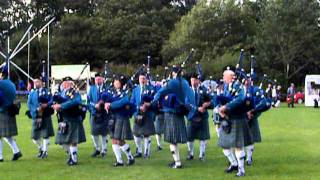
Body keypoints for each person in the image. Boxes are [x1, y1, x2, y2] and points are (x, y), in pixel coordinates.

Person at [151, 66, 195, 169]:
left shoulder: (171, 83)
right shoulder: (185, 82)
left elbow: (160, 92)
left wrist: (153, 102)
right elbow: (190, 97)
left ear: (174, 73)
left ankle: (178, 163)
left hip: (171, 113)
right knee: (174, 140)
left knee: (172, 140)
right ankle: (176, 160)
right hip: (180, 112)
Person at [218, 69, 253, 177]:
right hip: (228, 118)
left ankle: (241, 170)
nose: (223, 78)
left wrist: (226, 107)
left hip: (237, 119)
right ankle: (234, 164)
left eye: (224, 76)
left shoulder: (238, 86)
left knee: (238, 146)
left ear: (230, 76)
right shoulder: (227, 87)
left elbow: (240, 99)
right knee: (224, 145)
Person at [53, 77, 86, 166]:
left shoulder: (75, 92)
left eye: (67, 82)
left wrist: (61, 105)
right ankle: (71, 155)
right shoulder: (62, 92)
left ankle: (74, 159)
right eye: (64, 82)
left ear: (71, 83)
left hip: (73, 118)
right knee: (62, 141)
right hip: (64, 118)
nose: (64, 84)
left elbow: (76, 101)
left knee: (72, 140)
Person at [104, 76, 135, 167]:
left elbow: (123, 102)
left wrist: (111, 104)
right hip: (113, 117)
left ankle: (130, 157)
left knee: (119, 139)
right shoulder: (111, 91)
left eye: (117, 82)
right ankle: (120, 161)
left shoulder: (127, 92)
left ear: (121, 83)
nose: (115, 84)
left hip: (121, 117)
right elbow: (105, 98)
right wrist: (106, 103)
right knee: (114, 139)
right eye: (115, 82)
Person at [27, 78, 55, 159]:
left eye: (37, 82)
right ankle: (41, 148)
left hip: (45, 115)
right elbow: (29, 104)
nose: (35, 83)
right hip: (36, 116)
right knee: (34, 137)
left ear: (41, 83)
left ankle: (45, 152)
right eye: (34, 82)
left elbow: (52, 100)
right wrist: (35, 109)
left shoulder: (47, 92)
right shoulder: (32, 93)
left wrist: (46, 104)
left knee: (46, 135)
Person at [0, 64, 23, 162]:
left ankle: (0, 157)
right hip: (10, 110)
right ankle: (16, 151)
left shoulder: (1, 84)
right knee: (7, 135)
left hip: (3, 110)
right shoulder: (11, 83)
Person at [131, 73, 156, 158]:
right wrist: (137, 109)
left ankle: (146, 152)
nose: (142, 80)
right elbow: (132, 103)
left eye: (144, 78)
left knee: (146, 134)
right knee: (135, 134)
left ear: (146, 79)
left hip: (148, 115)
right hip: (138, 114)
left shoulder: (151, 89)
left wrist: (148, 105)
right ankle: (139, 151)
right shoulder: (135, 90)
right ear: (138, 79)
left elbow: (155, 102)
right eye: (141, 78)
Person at [186, 73, 211, 161]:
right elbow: (187, 103)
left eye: (194, 80)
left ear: (198, 80)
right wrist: (197, 109)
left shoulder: (204, 90)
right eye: (191, 80)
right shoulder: (188, 90)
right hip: (192, 116)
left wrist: (207, 104)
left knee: (203, 138)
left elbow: (211, 100)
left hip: (203, 117)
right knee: (189, 137)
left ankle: (202, 154)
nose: (193, 82)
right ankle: (191, 153)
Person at [87, 73, 109, 158]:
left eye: (99, 79)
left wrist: (103, 104)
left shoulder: (107, 88)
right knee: (93, 132)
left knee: (104, 133)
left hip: (104, 113)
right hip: (94, 113)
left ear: (102, 79)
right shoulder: (92, 88)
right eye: (96, 79)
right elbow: (88, 101)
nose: (98, 81)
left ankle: (104, 150)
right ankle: (97, 149)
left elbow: (109, 99)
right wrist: (94, 105)